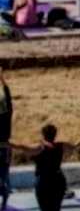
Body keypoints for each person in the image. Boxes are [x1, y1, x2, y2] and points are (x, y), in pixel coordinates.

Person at [10, 124, 80, 211]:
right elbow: (75, 146)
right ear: (55, 134)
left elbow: (21, 147)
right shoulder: (61, 145)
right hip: (58, 180)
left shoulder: (39, 147)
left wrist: (6, 143)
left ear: (43, 134)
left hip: (43, 182)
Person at [0, 69, 12, 210]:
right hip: (5, 147)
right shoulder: (7, 114)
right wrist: (2, 78)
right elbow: (8, 96)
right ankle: (4, 202)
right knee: (5, 175)